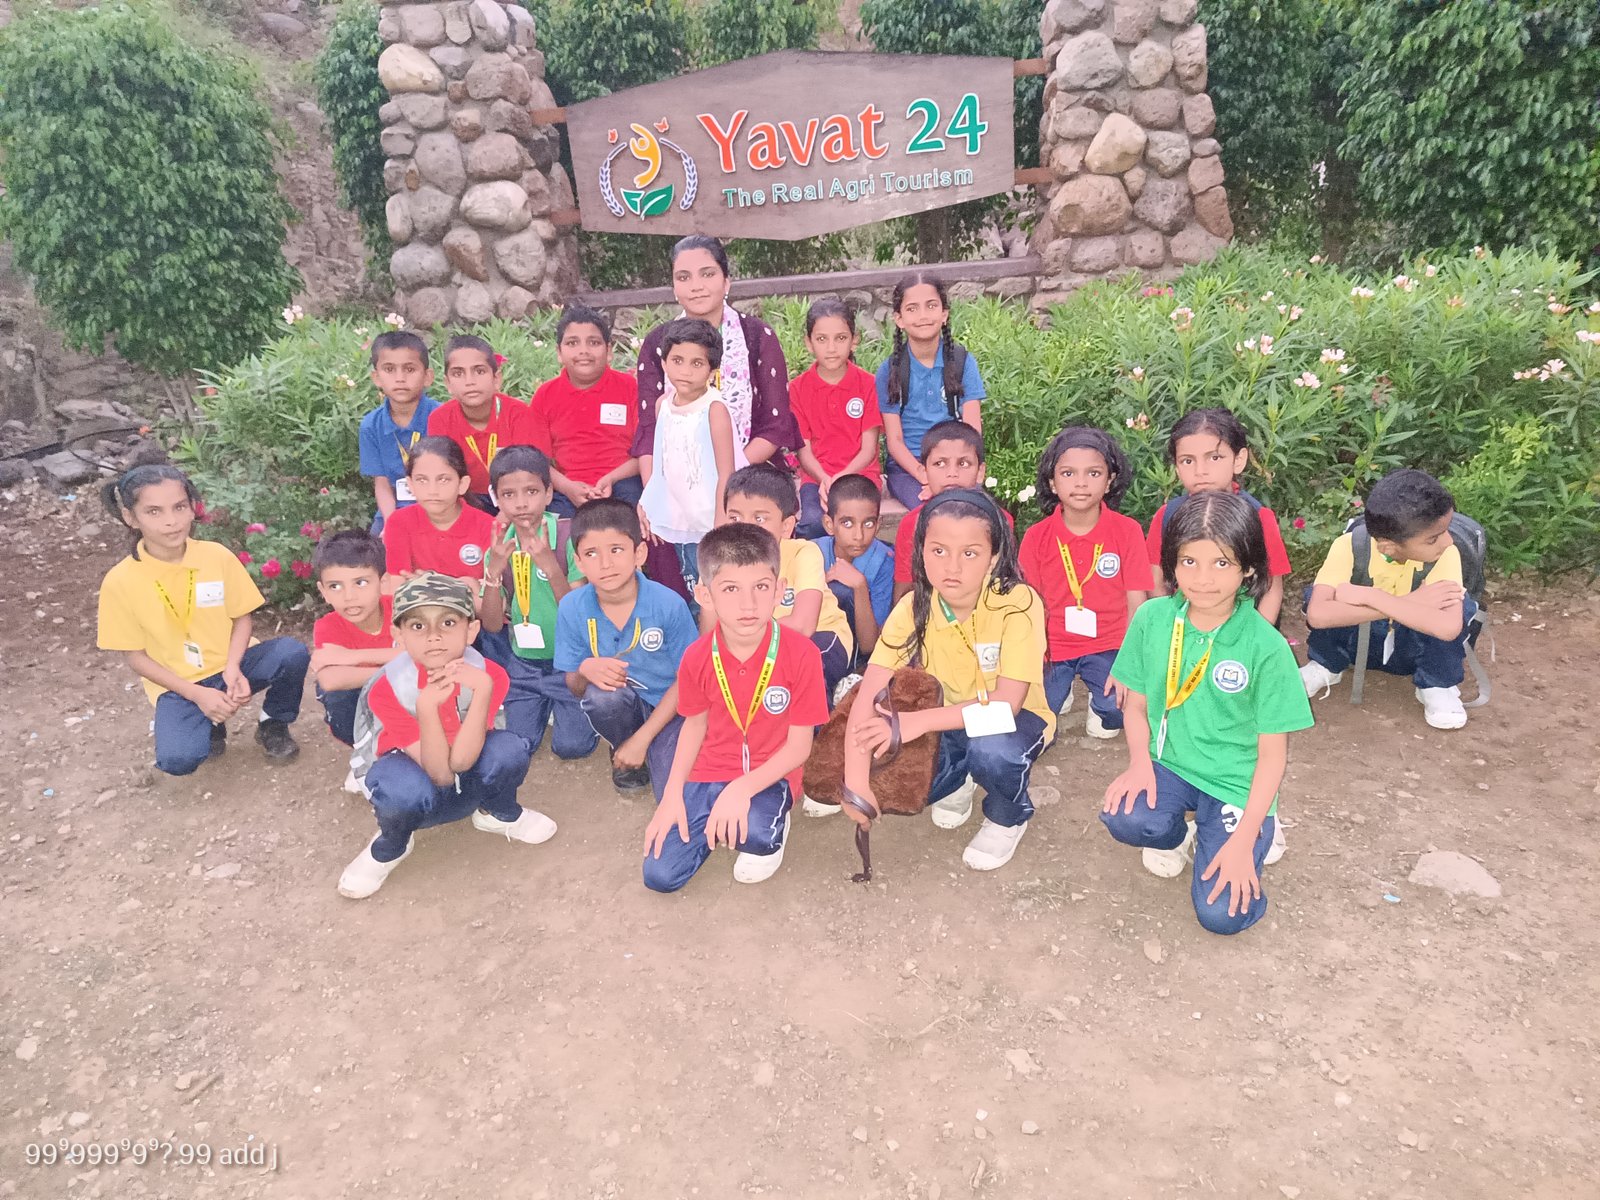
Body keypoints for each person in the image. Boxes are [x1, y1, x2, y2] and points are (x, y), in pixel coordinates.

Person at [1101, 491, 1313, 935]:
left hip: (1236, 783)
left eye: (1221, 563)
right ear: (1171, 564)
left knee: (1221, 916)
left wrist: (1245, 835)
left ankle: (1249, 830)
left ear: (1248, 567)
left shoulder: (1266, 647)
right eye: (1188, 562)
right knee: (1126, 817)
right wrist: (1140, 763)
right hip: (1170, 764)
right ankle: (1179, 834)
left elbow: (1272, 755)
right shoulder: (1153, 618)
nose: (1202, 579)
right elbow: (1135, 705)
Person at [836, 489, 1052, 872]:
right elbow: (869, 691)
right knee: (888, 776)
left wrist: (916, 723)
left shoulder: (1017, 603)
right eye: (938, 551)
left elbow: (1006, 706)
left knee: (992, 751)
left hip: (1010, 721)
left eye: (970, 553)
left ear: (993, 557)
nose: (952, 566)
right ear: (921, 552)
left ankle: (1007, 815)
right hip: (946, 719)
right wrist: (856, 783)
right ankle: (959, 778)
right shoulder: (913, 607)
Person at [338, 573, 552, 899]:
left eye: (448, 623)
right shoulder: (388, 687)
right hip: (417, 774)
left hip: (465, 767)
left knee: (509, 750)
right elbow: (440, 774)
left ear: (472, 630)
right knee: (400, 790)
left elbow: (462, 761)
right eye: (418, 626)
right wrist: (426, 708)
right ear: (398, 635)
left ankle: (496, 813)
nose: (434, 636)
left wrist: (482, 690)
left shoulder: (488, 674)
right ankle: (392, 845)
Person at [642, 523, 826, 892]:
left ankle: (771, 817)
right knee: (660, 875)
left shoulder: (802, 653)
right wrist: (673, 793)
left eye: (761, 587)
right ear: (705, 595)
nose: (748, 605)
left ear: (780, 591)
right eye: (730, 589)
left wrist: (741, 789)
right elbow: (694, 725)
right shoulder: (697, 657)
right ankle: (718, 815)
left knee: (756, 836)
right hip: (709, 770)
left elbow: (799, 747)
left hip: (771, 771)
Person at [96, 463, 308, 776]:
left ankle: (272, 723)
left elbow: (242, 617)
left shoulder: (216, 556)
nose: (171, 521)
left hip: (231, 664)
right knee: (178, 760)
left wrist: (233, 667)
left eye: (180, 507)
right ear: (131, 517)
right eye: (154, 511)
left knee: (291, 653)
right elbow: (136, 658)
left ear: (193, 508)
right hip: (178, 684)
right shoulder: (119, 582)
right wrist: (197, 694)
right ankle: (209, 724)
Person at [1301, 468, 1475, 730]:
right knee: (1319, 596)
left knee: (1456, 607)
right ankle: (1327, 665)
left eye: (1446, 530)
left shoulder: (1446, 554)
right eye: (1433, 539)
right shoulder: (1350, 546)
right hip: (1360, 646)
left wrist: (1370, 596)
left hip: (1411, 651)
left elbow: (1448, 628)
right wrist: (1411, 601)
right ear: (1388, 547)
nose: (1448, 542)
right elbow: (1318, 615)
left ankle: (1436, 684)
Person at [554, 498, 699, 798]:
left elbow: (689, 682)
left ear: (639, 553)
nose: (605, 564)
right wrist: (585, 668)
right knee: (602, 699)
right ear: (578, 562)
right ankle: (623, 748)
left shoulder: (668, 604)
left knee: (673, 791)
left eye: (616, 550)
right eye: (591, 553)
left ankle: (642, 745)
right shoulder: (571, 607)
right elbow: (576, 687)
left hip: (671, 705)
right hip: (622, 703)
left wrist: (643, 739)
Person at [1019, 426, 1152, 738]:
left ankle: (1099, 701)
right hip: (1052, 646)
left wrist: (1130, 663)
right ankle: (1061, 688)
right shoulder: (1036, 536)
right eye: (1068, 473)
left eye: (1093, 473)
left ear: (1110, 481)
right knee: (1034, 714)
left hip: (1110, 643)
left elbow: (1137, 601)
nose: (1080, 483)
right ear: (1052, 482)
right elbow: (1027, 605)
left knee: (1119, 710)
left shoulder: (1127, 531)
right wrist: (1032, 659)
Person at [631, 234, 796, 468]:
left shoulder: (757, 336)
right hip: (676, 474)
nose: (696, 286)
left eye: (707, 274)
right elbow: (649, 434)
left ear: (726, 281)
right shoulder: (657, 343)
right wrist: (653, 488)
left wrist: (729, 475)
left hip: (750, 471)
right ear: (674, 287)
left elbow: (775, 424)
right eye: (684, 277)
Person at [476, 446, 595, 757]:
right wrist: (493, 572)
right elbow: (492, 624)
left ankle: (571, 704)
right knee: (520, 744)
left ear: (548, 493)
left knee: (572, 747)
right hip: (524, 665)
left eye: (531, 491)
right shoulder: (499, 548)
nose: (521, 503)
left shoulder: (570, 538)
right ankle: (541, 704)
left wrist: (549, 565)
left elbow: (577, 614)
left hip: (569, 663)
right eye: (509, 494)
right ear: (496, 498)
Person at [722, 463, 855, 703]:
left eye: (759, 518)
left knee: (802, 665)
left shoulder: (803, 552)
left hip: (822, 636)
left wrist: (743, 637)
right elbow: (711, 632)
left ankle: (823, 720)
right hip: (756, 646)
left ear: (786, 527)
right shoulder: (719, 561)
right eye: (735, 517)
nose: (744, 528)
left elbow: (803, 626)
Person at [1146, 408, 1291, 625]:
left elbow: (1271, 588)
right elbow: (1155, 581)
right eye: (1187, 461)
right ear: (1176, 468)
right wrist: (1171, 625)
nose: (1200, 471)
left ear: (1239, 459)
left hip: (1243, 626)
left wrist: (1258, 635)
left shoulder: (1259, 517)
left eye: (1214, 457)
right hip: (1183, 626)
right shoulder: (1167, 515)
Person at [636, 317, 746, 605]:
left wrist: (720, 523)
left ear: (713, 370)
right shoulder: (663, 405)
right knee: (692, 586)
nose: (685, 371)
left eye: (697, 363)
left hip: (710, 518)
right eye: (677, 360)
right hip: (681, 516)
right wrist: (648, 502)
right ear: (664, 362)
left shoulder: (714, 409)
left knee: (716, 587)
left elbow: (726, 472)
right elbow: (661, 463)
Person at [876, 273, 987, 510]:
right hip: (909, 469)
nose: (923, 316)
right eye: (912, 309)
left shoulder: (962, 362)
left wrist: (956, 472)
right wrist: (925, 475)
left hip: (955, 462)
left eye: (931, 306)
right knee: (932, 510)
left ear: (944, 314)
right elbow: (894, 441)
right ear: (899, 319)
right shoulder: (890, 370)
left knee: (977, 511)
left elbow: (973, 430)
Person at [528, 304, 641, 518]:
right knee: (555, 520)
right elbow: (538, 461)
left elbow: (645, 454)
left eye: (594, 342)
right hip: (567, 488)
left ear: (609, 351)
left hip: (622, 481)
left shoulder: (630, 388)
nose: (583, 351)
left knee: (632, 510)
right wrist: (568, 487)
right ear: (559, 353)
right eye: (572, 343)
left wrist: (611, 479)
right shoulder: (545, 396)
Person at [309, 530, 398, 789]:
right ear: (323, 591)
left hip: (411, 702)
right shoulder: (328, 625)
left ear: (383, 583)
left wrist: (351, 657)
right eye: (335, 586)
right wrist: (400, 666)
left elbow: (424, 652)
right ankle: (366, 750)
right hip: (367, 705)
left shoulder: (402, 611)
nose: (349, 596)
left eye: (360, 582)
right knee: (337, 698)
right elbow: (330, 680)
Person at [788, 299, 882, 539]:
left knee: (855, 522)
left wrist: (841, 478)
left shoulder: (868, 384)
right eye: (822, 339)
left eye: (840, 338)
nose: (831, 348)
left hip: (861, 476)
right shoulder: (798, 389)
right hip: (816, 479)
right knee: (813, 524)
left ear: (854, 340)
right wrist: (825, 479)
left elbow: (868, 449)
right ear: (809, 343)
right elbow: (804, 451)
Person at [892, 420, 1011, 603]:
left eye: (963, 463)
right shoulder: (912, 524)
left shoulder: (1000, 520)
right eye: (940, 463)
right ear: (923, 472)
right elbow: (904, 592)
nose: (952, 473)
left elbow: (1006, 583)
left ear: (980, 472)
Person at [426, 334, 539, 510]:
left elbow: (529, 474)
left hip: (516, 498)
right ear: (448, 384)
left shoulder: (518, 414)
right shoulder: (440, 419)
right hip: (465, 500)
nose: (469, 381)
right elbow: (444, 478)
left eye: (479, 371)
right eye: (458, 373)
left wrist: (504, 517)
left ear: (496, 379)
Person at [380, 435, 496, 583]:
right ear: (410, 484)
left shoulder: (489, 527)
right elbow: (397, 583)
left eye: (443, 480)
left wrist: (426, 583)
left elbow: (493, 589)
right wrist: (460, 585)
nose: (432, 490)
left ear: (462, 484)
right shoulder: (399, 522)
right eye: (422, 480)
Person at [359, 330, 440, 534]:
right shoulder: (371, 425)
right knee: (373, 549)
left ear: (427, 377)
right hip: (393, 511)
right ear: (376, 377)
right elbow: (382, 483)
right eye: (389, 369)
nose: (400, 378)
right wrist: (391, 523)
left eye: (409, 369)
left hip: (439, 508)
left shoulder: (441, 417)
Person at [816, 473, 894, 669]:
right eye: (847, 523)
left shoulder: (883, 562)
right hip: (815, 648)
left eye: (868, 524)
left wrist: (860, 586)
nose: (858, 535)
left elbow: (869, 645)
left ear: (878, 524)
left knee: (844, 592)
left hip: (858, 656)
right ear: (829, 525)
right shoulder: (812, 553)